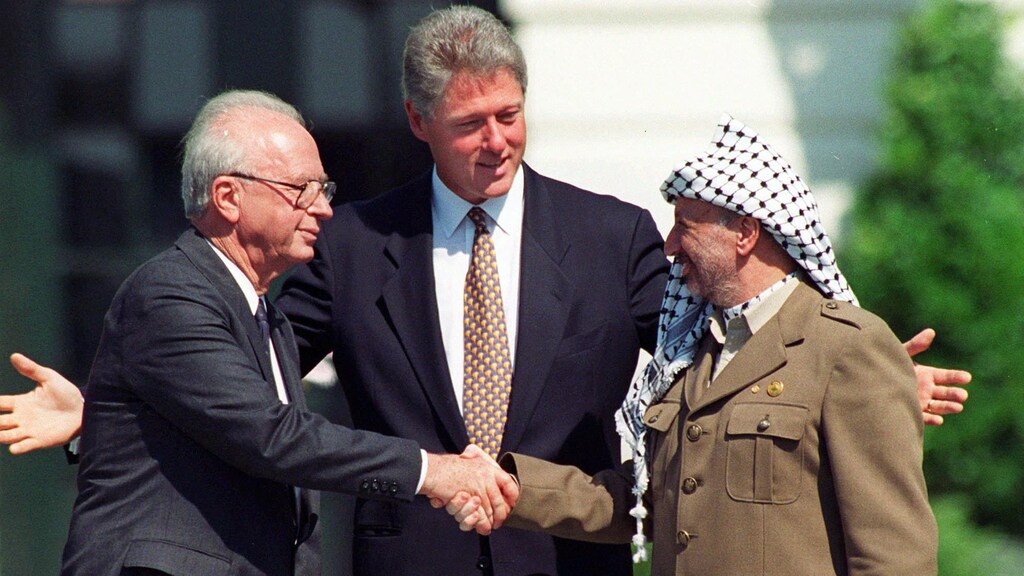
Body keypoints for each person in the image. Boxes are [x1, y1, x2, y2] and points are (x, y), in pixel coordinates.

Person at [0, 6, 969, 576]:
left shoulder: (610, 232)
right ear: (420, 122)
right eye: (470, 123)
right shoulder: (353, 242)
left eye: (510, 115)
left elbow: (705, 351)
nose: (496, 140)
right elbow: (253, 394)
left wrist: (852, 379)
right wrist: (108, 412)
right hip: (409, 558)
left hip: (566, 558)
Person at [38, 89, 517, 576]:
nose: (323, 209)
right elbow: (273, 437)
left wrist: (89, 412)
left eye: (324, 190)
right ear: (229, 197)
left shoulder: (269, 317)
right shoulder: (169, 295)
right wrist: (432, 471)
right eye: (301, 190)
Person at [452, 115, 939, 575]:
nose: (669, 244)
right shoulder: (692, 352)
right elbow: (643, 502)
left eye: (686, 225)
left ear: (745, 233)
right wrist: (512, 488)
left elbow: (893, 554)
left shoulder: (847, 349)